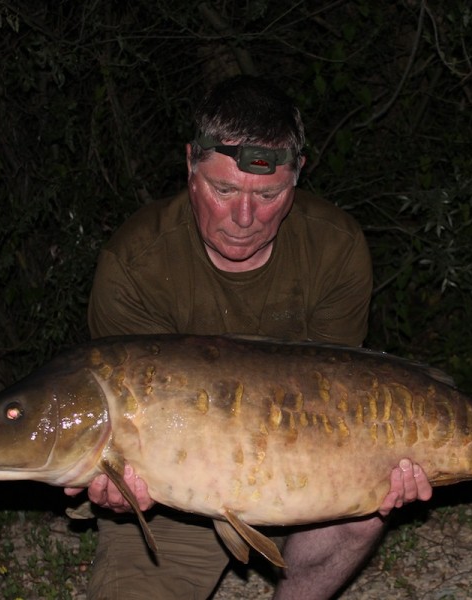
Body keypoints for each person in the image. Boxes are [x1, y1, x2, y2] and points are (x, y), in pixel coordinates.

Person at [65, 75, 433, 600]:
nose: (243, 217)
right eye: (223, 189)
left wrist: (384, 466)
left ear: (297, 176)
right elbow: (125, 427)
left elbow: (343, 399)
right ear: (191, 164)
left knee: (363, 511)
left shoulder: (335, 247)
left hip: (300, 466)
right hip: (176, 497)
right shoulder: (135, 263)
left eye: (269, 194)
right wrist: (118, 481)